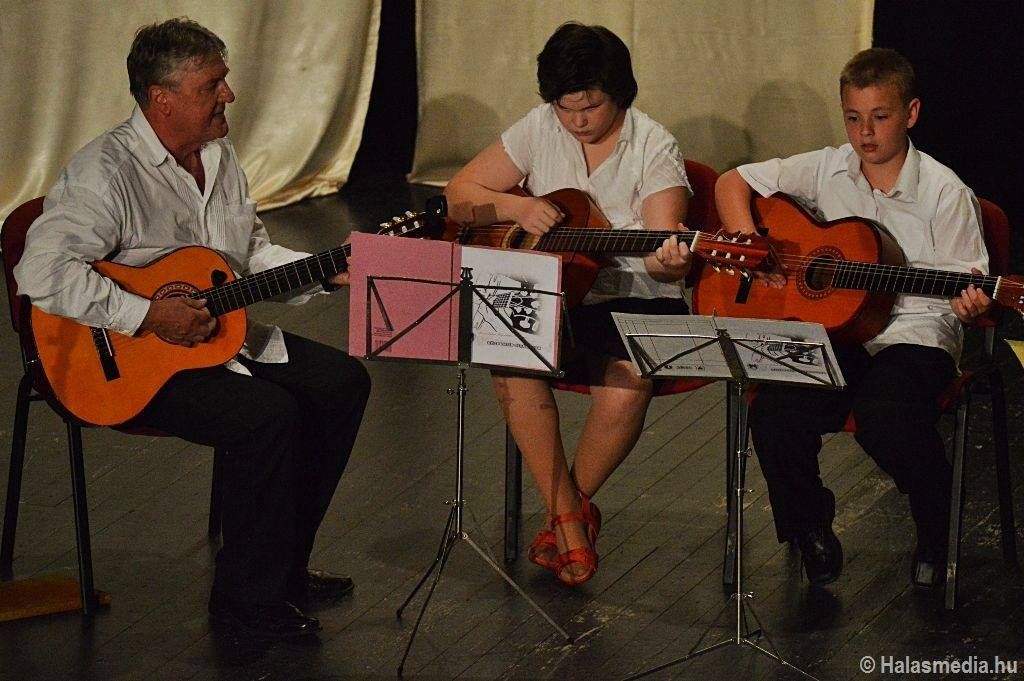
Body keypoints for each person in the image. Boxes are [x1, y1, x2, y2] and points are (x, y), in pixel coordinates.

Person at [14, 18, 371, 638]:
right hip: (125, 361)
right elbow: (40, 269)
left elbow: (247, 258)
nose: (228, 94)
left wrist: (326, 270)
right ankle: (244, 603)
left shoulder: (219, 156)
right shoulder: (107, 171)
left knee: (343, 383)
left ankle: (280, 568)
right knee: (267, 416)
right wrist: (148, 313)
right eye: (213, 84)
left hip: (214, 340)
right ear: (163, 98)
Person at [715, 48, 991, 589]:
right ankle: (810, 525)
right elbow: (732, 182)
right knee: (773, 411)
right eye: (853, 118)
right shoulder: (826, 167)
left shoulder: (945, 191)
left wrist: (971, 303)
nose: (865, 133)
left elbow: (968, 285)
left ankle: (936, 525)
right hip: (835, 331)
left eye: (880, 117)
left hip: (915, 333)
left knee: (885, 414)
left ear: (911, 113)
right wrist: (752, 245)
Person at [444, 22, 693, 585]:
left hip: (632, 295)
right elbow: (459, 195)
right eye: (566, 108)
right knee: (510, 359)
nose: (578, 121)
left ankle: (565, 515)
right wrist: (516, 209)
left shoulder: (654, 145)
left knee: (628, 381)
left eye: (592, 107)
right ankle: (571, 522)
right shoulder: (539, 126)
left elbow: (659, 256)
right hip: (555, 287)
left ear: (619, 93)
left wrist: (671, 261)